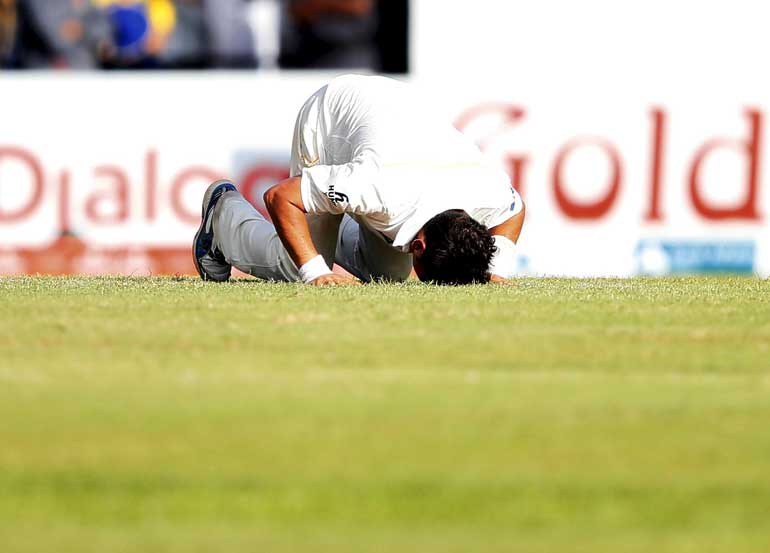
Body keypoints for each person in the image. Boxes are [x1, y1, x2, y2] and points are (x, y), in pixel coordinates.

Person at [193, 74, 525, 286]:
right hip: (329, 117)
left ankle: (329, 222)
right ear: (419, 246)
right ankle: (223, 215)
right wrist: (316, 273)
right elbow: (281, 197)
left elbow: (514, 209)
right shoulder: (377, 187)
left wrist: (500, 268)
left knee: (389, 276)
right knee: (297, 263)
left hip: (394, 110)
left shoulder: (485, 190)